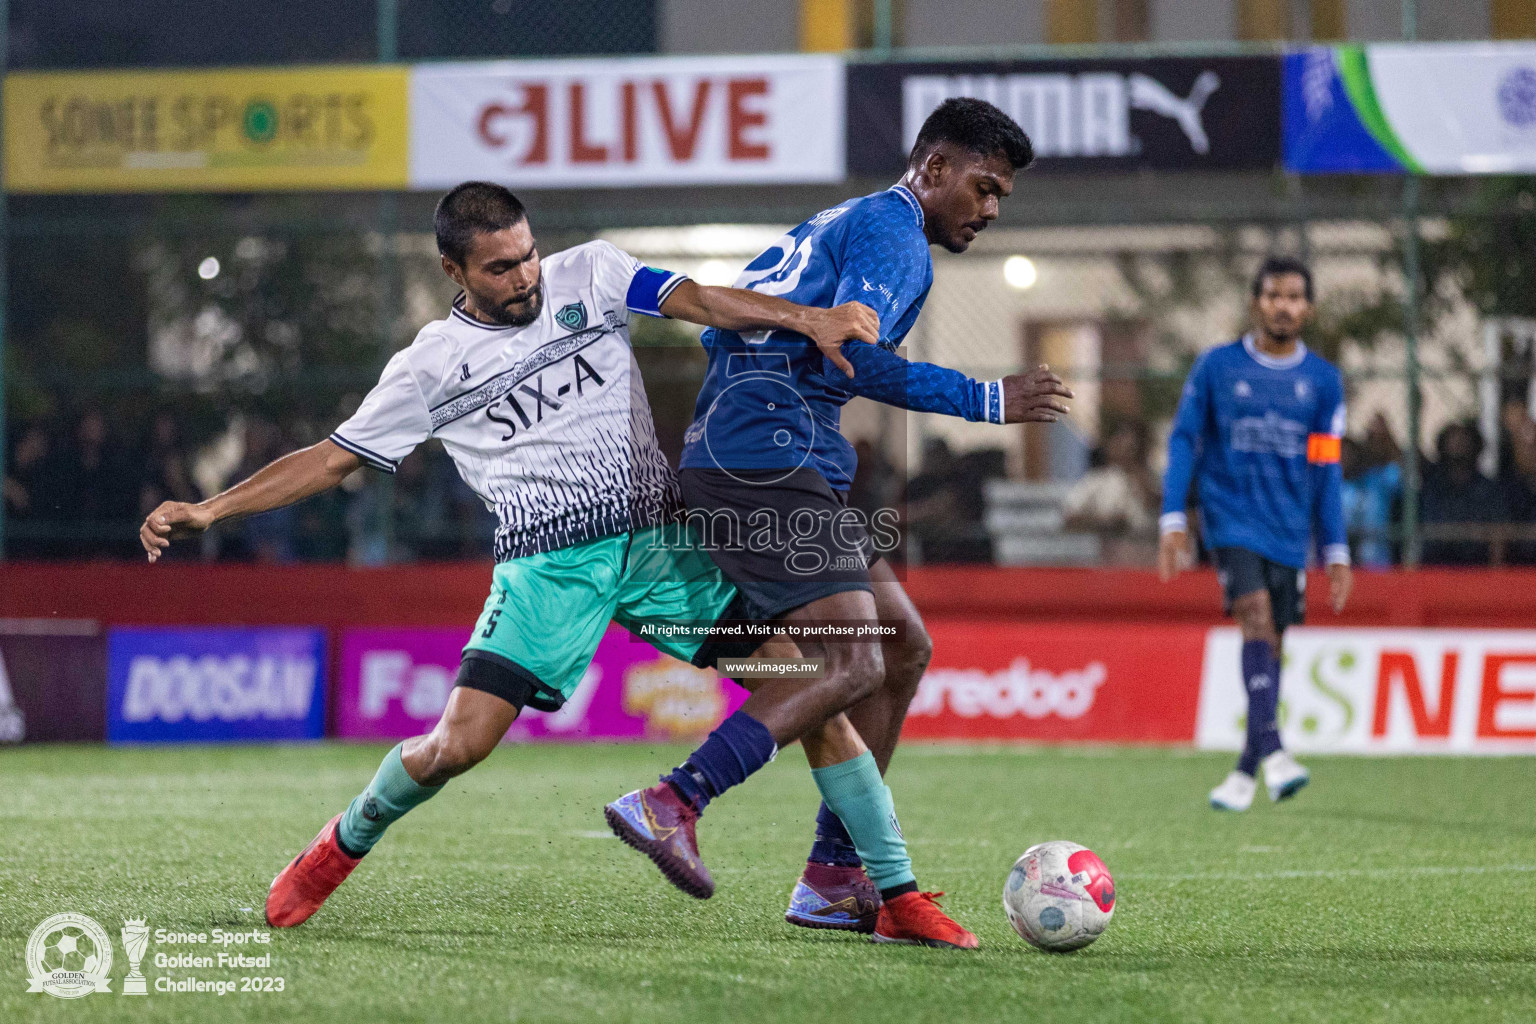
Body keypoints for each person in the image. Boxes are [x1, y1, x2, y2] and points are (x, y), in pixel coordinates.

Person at [139, 182, 910, 936]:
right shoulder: (429, 366)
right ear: (455, 273)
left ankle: (890, 892)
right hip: (548, 574)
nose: (525, 277)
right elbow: (332, 458)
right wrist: (211, 508)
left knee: (806, 685)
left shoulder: (595, 274)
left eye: (529, 255)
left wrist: (813, 320)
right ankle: (338, 846)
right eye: (500, 269)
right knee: (455, 747)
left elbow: (705, 301)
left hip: (662, 552)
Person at [602, 97, 1072, 948]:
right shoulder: (893, 233)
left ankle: (832, 877)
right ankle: (674, 799)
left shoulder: (841, 222)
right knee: (852, 659)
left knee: (900, 646)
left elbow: (729, 333)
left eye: (1003, 195)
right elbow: (856, 354)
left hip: (772, 458)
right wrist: (988, 398)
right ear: (932, 168)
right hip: (766, 466)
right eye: (984, 186)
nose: (992, 209)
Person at [1158, 256, 1352, 812]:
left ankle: (1245, 771)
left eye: (1294, 297)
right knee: (1256, 618)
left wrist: (1335, 547)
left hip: (1290, 528)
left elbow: (1326, 466)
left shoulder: (1322, 382)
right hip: (1231, 520)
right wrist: (1174, 516)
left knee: (1273, 645)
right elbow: (1184, 441)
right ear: (1256, 302)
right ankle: (1277, 753)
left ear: (1308, 309)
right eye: (1273, 295)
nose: (1283, 306)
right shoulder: (1217, 368)